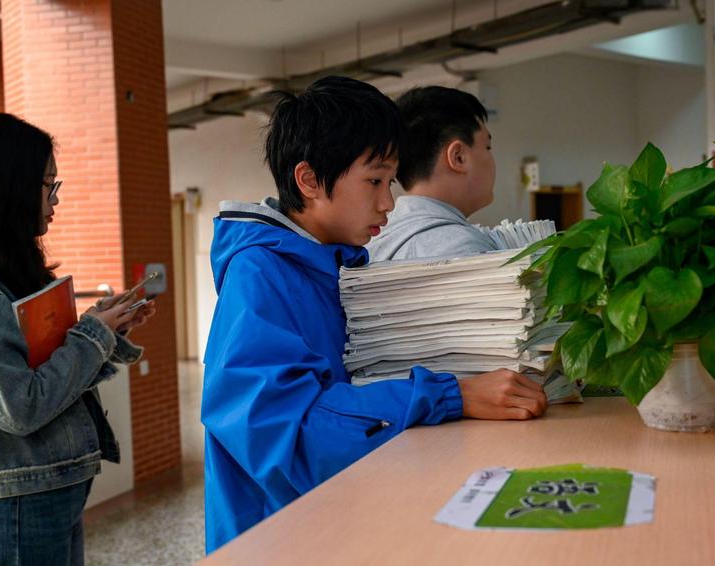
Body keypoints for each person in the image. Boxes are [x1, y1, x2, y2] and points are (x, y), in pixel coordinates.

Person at [201, 76, 547, 553]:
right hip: (280, 542)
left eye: (390, 181)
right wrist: (450, 395)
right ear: (309, 179)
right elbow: (290, 439)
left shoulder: (334, 263)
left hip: (339, 522)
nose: (388, 202)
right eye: (374, 180)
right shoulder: (260, 275)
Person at [0, 113, 155, 565]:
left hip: (48, 488)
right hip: (18, 500)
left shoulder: (8, 272)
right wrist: (92, 334)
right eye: (47, 186)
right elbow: (21, 406)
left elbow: (47, 371)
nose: (55, 202)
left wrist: (106, 329)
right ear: (10, 186)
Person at [366, 86, 500, 261]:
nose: (491, 157)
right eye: (487, 146)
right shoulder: (463, 249)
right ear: (458, 157)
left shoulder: (374, 238)